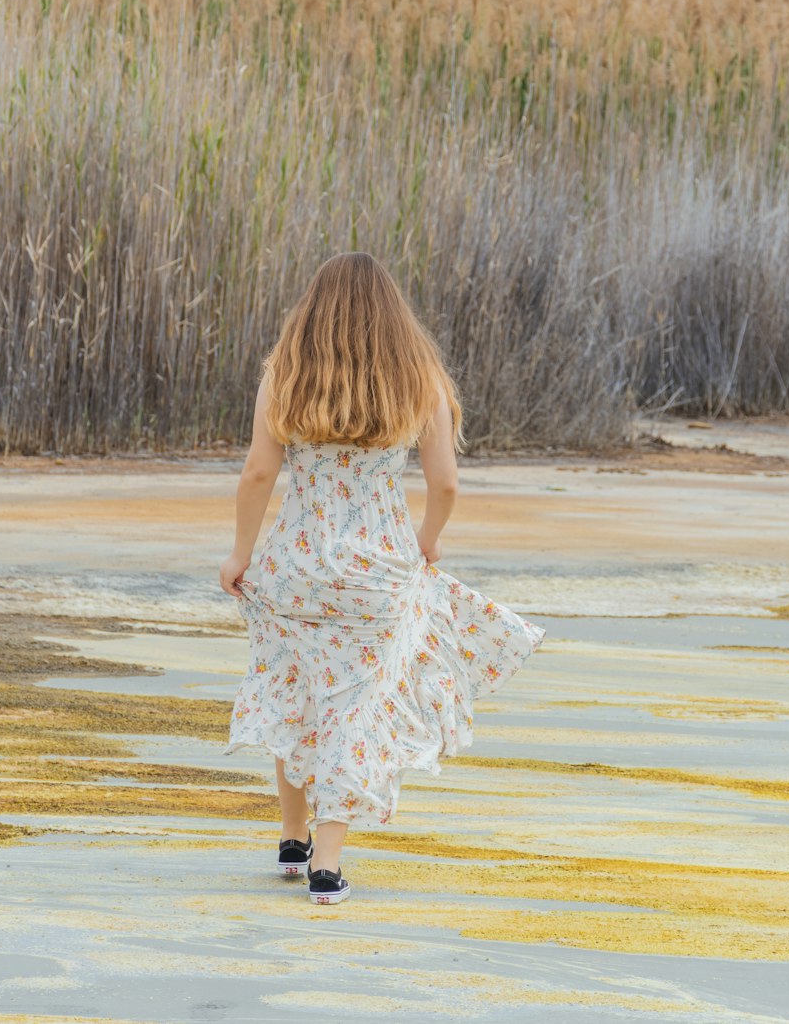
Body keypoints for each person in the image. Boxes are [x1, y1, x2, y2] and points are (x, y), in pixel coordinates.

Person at [219, 252, 545, 904]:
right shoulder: (417, 382)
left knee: (293, 692)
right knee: (351, 710)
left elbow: (258, 474)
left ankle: (291, 837)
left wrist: (240, 555)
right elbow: (446, 484)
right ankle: (327, 866)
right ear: (393, 317)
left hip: (295, 572)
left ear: (313, 310)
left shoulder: (285, 376)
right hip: (377, 577)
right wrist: (425, 545)